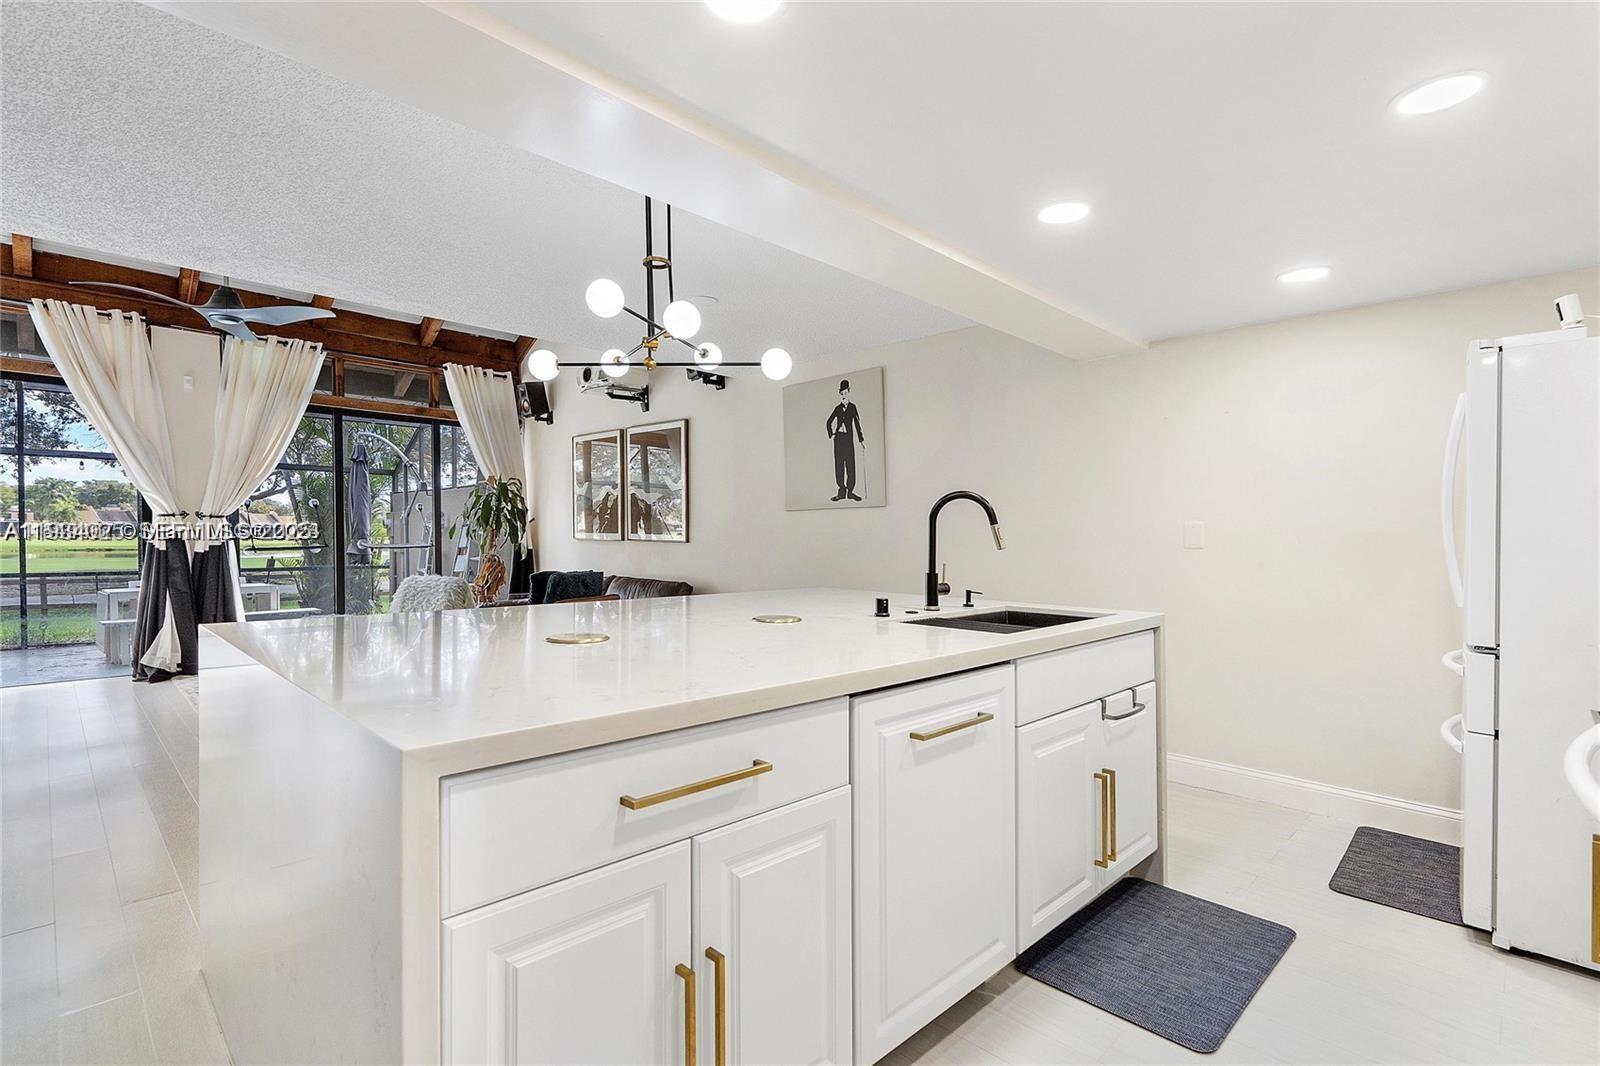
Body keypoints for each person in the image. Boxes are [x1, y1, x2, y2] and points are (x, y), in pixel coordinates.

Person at [825, 378, 866, 501]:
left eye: (845, 393)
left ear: (849, 391)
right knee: (839, 466)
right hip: (839, 440)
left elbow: (857, 425)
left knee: (850, 465)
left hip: (848, 440)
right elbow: (828, 422)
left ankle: (850, 492)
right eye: (841, 393)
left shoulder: (853, 407)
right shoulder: (837, 408)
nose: (843, 395)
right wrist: (831, 434)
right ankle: (841, 492)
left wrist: (861, 440)